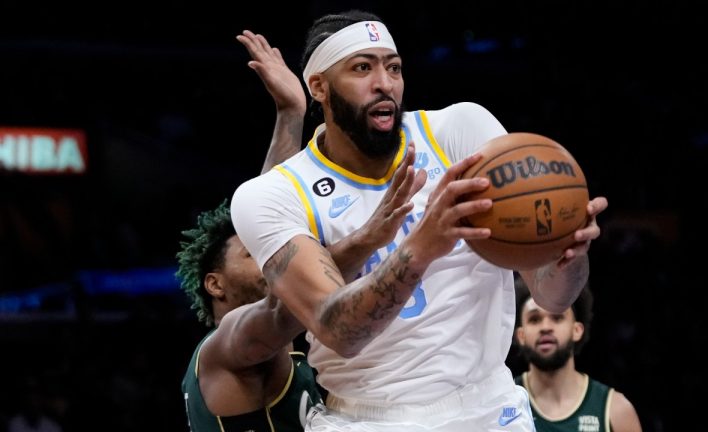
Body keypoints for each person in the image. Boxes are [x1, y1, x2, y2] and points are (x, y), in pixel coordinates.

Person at [231, 9, 609, 431]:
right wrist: (422, 245)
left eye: (393, 68)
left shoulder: (459, 132)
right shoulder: (273, 194)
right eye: (362, 68)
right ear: (318, 86)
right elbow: (339, 331)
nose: (385, 83)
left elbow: (554, 297)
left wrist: (567, 255)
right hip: (367, 418)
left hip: (489, 408)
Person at [179, 30, 423, 431]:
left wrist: (290, 112)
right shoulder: (224, 347)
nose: (267, 258)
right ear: (215, 284)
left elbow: (271, 215)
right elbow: (281, 302)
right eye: (249, 255)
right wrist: (369, 238)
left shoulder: (283, 348)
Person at [514, 278, 642, 432]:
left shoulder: (616, 410)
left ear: (577, 330)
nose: (545, 327)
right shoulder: (503, 403)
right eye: (535, 319)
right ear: (520, 335)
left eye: (557, 317)